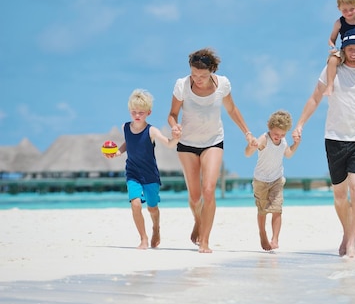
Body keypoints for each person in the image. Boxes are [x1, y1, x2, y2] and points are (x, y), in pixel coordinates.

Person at [294, 28, 355, 258]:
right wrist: (300, 124)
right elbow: (315, 97)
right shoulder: (331, 70)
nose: (354, 53)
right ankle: (347, 233)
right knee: (339, 196)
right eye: (350, 48)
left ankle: (352, 243)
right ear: (344, 49)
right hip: (335, 138)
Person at [168, 47, 257, 253]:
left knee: (209, 191)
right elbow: (172, 114)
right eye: (194, 74)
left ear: (212, 72)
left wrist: (247, 133)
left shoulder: (222, 84)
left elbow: (232, 109)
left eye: (203, 75)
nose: (198, 79)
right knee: (195, 197)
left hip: (213, 141)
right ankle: (198, 222)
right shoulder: (182, 85)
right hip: (187, 144)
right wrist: (174, 126)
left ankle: (205, 241)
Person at [104, 89, 180, 249]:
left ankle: (156, 228)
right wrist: (118, 152)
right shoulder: (125, 127)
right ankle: (143, 238)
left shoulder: (151, 130)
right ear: (129, 111)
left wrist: (176, 139)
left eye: (141, 112)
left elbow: (168, 144)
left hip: (150, 175)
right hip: (132, 172)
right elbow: (128, 143)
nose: (137, 115)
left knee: (152, 208)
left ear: (148, 113)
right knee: (136, 204)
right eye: (134, 112)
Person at [244, 110, 301, 251]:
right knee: (262, 210)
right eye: (276, 134)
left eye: (282, 134)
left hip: (277, 179)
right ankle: (262, 233)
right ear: (270, 128)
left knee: (277, 210)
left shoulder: (283, 141)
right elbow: (247, 153)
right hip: (261, 181)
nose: (279, 137)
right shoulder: (264, 139)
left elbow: (288, 154)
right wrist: (251, 146)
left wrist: (296, 144)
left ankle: (275, 239)